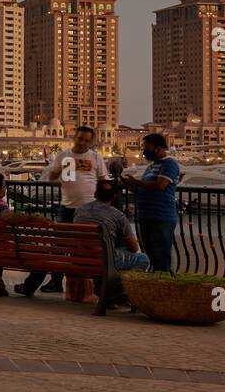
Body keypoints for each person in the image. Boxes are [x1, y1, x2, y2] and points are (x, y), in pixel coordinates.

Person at [28, 125, 110, 294]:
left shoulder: (95, 157)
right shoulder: (64, 156)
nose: (82, 143)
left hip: (89, 209)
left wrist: (104, 203)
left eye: (86, 140)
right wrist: (62, 172)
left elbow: (103, 179)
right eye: (80, 138)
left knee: (90, 246)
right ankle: (56, 281)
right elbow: (53, 178)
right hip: (67, 206)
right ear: (75, 137)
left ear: (91, 141)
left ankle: (97, 284)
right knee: (60, 245)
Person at [73, 178, 151, 306]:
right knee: (142, 259)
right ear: (114, 197)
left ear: (95, 194)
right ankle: (123, 294)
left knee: (105, 256)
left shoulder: (80, 210)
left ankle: (107, 293)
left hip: (81, 257)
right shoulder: (117, 215)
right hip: (103, 259)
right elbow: (134, 247)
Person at [121, 133, 180, 272]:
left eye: (146, 147)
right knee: (150, 254)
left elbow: (160, 185)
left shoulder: (170, 164)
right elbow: (145, 186)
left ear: (158, 148)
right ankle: (152, 286)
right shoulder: (151, 166)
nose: (143, 150)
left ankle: (163, 285)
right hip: (146, 215)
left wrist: (135, 182)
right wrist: (131, 186)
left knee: (161, 256)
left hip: (161, 217)